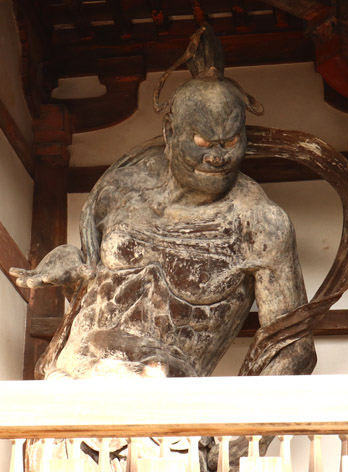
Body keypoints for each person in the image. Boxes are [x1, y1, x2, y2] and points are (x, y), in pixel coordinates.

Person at [10, 27, 321, 470]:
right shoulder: (123, 188)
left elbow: (293, 349)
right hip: (70, 392)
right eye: (202, 143)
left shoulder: (259, 223)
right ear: (170, 131)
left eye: (231, 142)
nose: (218, 158)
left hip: (165, 416)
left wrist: (233, 443)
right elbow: (100, 285)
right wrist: (70, 267)